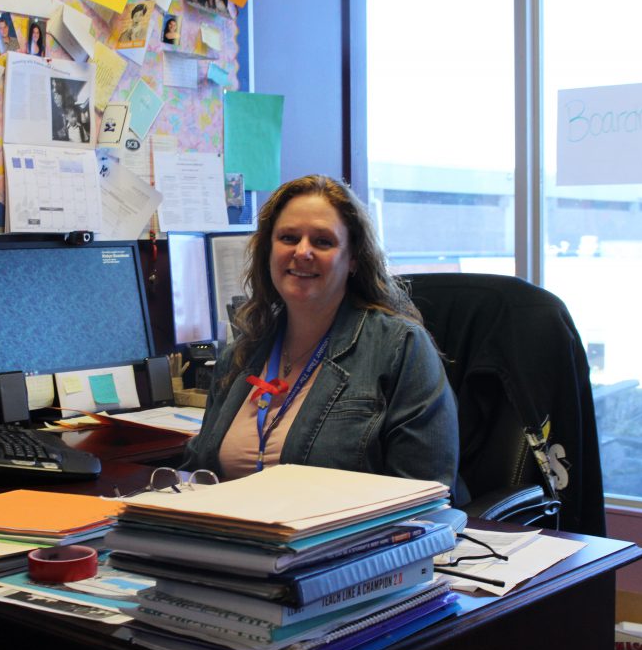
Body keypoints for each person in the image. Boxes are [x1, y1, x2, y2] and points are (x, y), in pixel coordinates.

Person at [182, 175, 460, 490]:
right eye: (288, 238)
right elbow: (198, 474)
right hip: (233, 534)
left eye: (323, 241)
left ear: (353, 258)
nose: (302, 252)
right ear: (268, 251)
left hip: (342, 538)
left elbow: (425, 494)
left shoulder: (399, 347)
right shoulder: (243, 352)